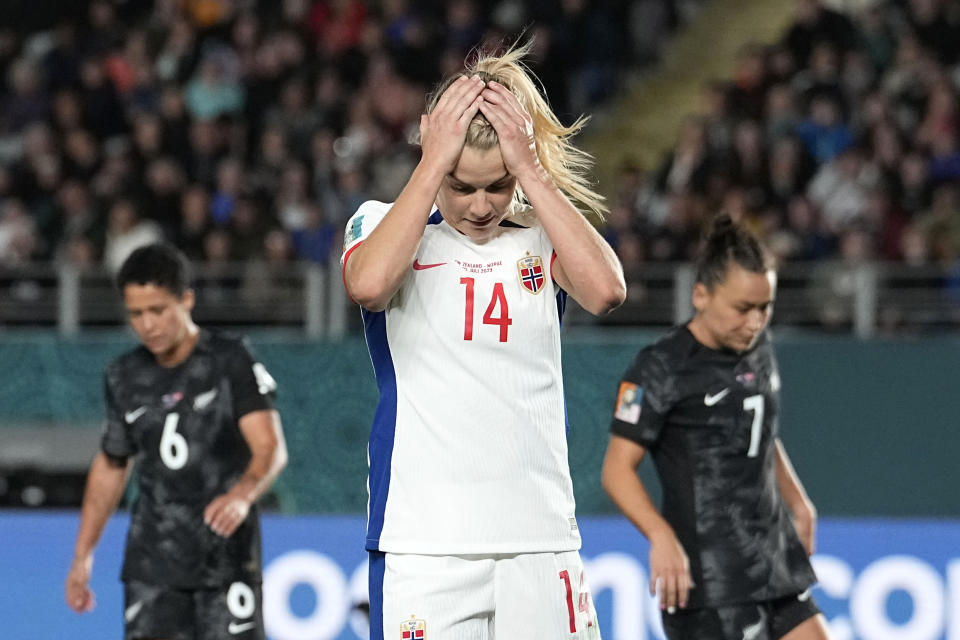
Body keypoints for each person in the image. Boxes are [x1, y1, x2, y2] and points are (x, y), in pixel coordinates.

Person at [341, 41, 626, 639]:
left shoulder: (543, 236)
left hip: (540, 538)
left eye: (496, 186)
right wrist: (428, 165)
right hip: (424, 541)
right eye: (460, 184)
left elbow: (605, 291)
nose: (478, 206)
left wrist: (531, 173)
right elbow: (368, 286)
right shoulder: (379, 221)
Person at [601, 215, 831, 640]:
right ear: (701, 295)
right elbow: (616, 469)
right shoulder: (661, 368)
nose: (756, 322)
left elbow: (759, 433)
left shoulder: (757, 347)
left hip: (773, 561)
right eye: (743, 308)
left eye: (765, 308)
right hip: (710, 580)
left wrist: (798, 501)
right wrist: (661, 537)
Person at [65, 242, 287, 640]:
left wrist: (241, 495)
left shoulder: (230, 359)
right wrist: (83, 556)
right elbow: (112, 463)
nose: (147, 324)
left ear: (186, 300)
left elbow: (269, 448)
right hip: (152, 566)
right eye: (136, 314)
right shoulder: (123, 375)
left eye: (157, 310)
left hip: (226, 562)